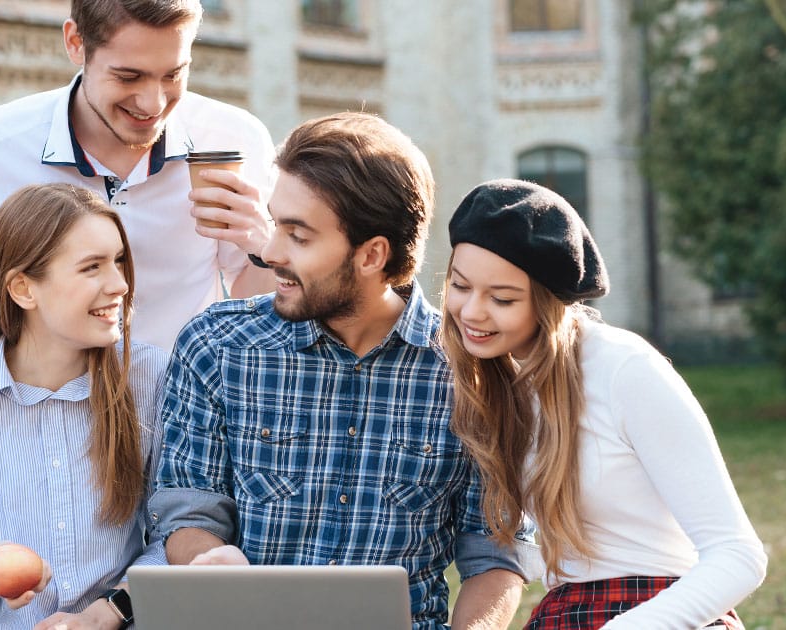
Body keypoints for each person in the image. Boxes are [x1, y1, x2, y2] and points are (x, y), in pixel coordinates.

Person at [150, 112, 539, 630]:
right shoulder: (217, 347)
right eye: (275, 224)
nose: (269, 252)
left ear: (372, 254)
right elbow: (188, 513)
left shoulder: (476, 375)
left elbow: (494, 557)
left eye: (299, 236)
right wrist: (216, 567)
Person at [0, 0, 276, 409]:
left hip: (184, 423)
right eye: (128, 76)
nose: (153, 104)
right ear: (75, 42)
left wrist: (265, 249)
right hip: (40, 421)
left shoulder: (234, 139)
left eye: (173, 74)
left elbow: (249, 301)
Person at [440, 178, 768, 629]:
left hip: (660, 609)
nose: (472, 312)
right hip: (566, 611)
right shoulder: (497, 383)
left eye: (501, 298)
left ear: (546, 304)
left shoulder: (624, 369)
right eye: (460, 286)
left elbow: (739, 555)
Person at [0, 183, 168, 629]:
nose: (120, 284)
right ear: (23, 289)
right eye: (92, 268)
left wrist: (108, 611)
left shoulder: (149, 376)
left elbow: (174, 537)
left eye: (119, 262)